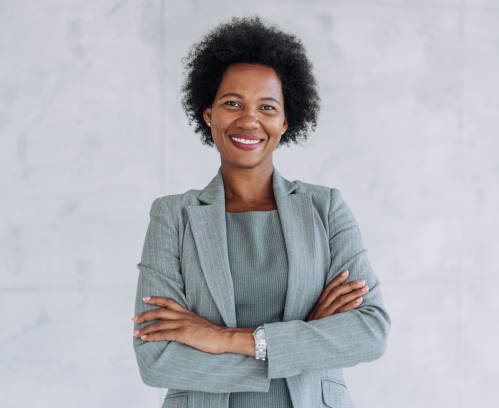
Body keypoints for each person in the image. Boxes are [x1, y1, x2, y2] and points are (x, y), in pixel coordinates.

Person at [132, 16, 391, 408]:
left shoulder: (325, 208)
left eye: (266, 107)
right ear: (209, 114)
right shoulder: (174, 216)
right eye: (232, 103)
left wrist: (225, 339)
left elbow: (369, 331)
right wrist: (302, 342)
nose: (249, 119)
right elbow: (157, 360)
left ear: (286, 121)